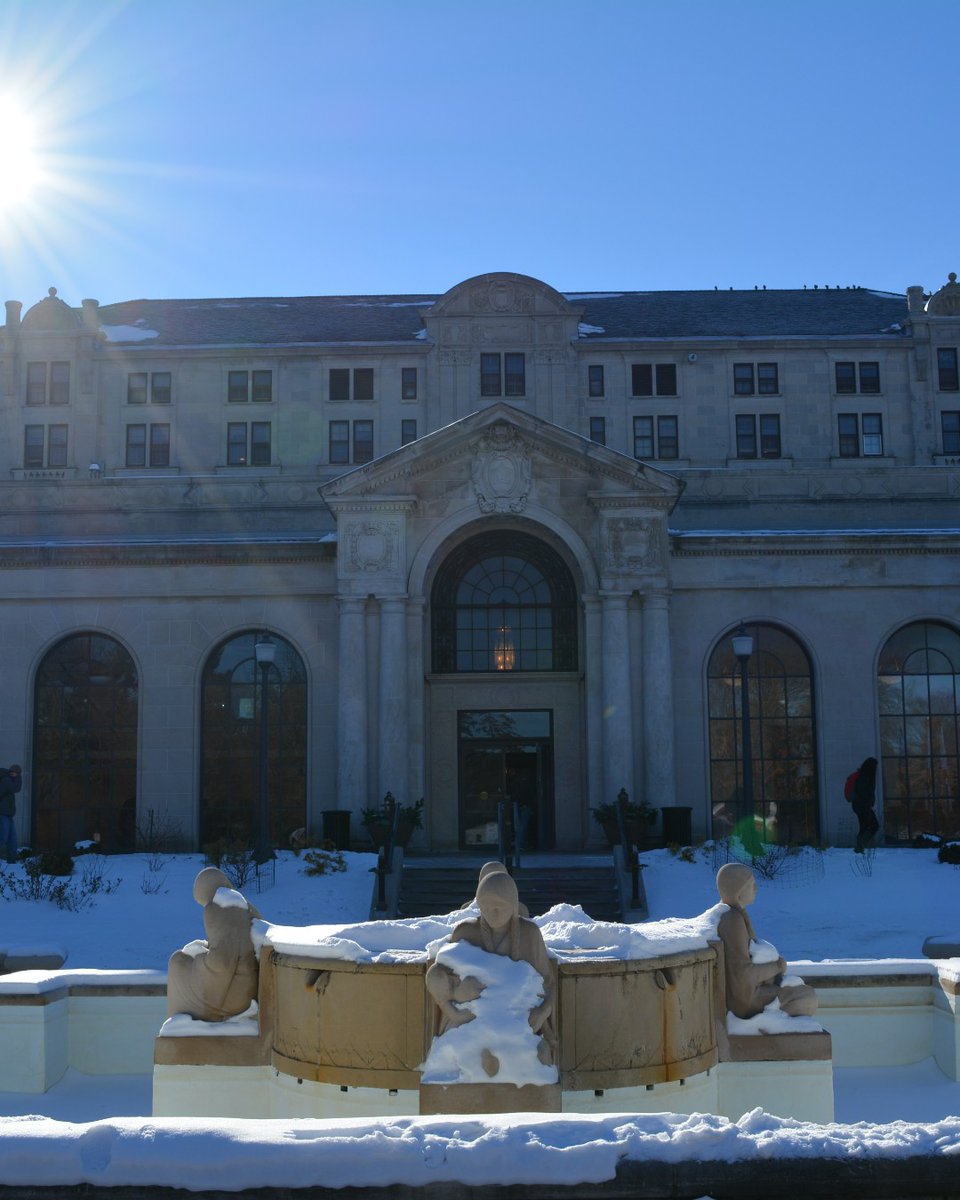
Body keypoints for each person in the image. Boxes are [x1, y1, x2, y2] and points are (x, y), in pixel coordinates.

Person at [426, 867, 556, 1065]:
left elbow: (548, 984)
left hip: (516, 1016)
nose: (492, 913)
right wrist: (459, 992)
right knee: (462, 1055)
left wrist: (543, 1011)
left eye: (499, 907)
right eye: (485, 907)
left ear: (513, 905)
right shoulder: (465, 932)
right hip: (473, 1017)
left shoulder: (529, 934)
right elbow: (442, 978)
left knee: (537, 1055)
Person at [715, 862, 817, 1019]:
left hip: (755, 991)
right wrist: (777, 966)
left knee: (804, 993)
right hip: (747, 1001)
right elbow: (742, 975)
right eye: (751, 884)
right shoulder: (733, 921)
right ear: (739, 891)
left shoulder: (734, 916)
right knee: (806, 997)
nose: (756, 888)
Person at [166, 867, 263, 1021]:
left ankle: (183, 1024)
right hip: (250, 988)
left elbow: (221, 962)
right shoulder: (246, 906)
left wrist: (199, 958)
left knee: (177, 962)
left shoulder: (217, 907)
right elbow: (236, 946)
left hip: (234, 996)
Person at [847, 756, 880, 852]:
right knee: (874, 825)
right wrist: (869, 802)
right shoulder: (865, 777)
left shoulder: (863, 775)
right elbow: (863, 792)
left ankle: (860, 847)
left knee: (864, 827)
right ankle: (861, 845)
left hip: (859, 805)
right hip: (862, 806)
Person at [0, 765, 23, 865]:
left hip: (8, 815)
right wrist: (19, 777)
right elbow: (16, 788)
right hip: (2, 814)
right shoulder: (5, 779)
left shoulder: (8, 779)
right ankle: (11, 861)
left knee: (12, 839)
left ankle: (12, 864)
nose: (16, 775)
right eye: (17, 773)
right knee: (3, 838)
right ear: (12, 772)